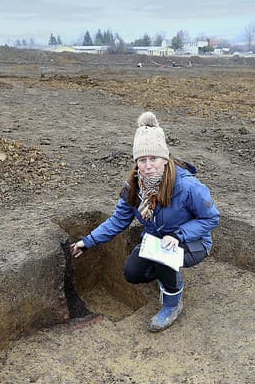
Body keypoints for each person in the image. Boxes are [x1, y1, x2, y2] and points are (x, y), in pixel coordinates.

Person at [70, 112, 220, 332]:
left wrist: (178, 235)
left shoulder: (188, 187)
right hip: (156, 241)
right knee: (132, 273)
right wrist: (88, 241)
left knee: (163, 260)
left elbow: (211, 218)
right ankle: (165, 275)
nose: (148, 165)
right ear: (136, 162)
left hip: (193, 242)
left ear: (165, 158)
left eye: (154, 159)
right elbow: (118, 221)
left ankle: (172, 302)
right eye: (142, 160)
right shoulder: (134, 188)